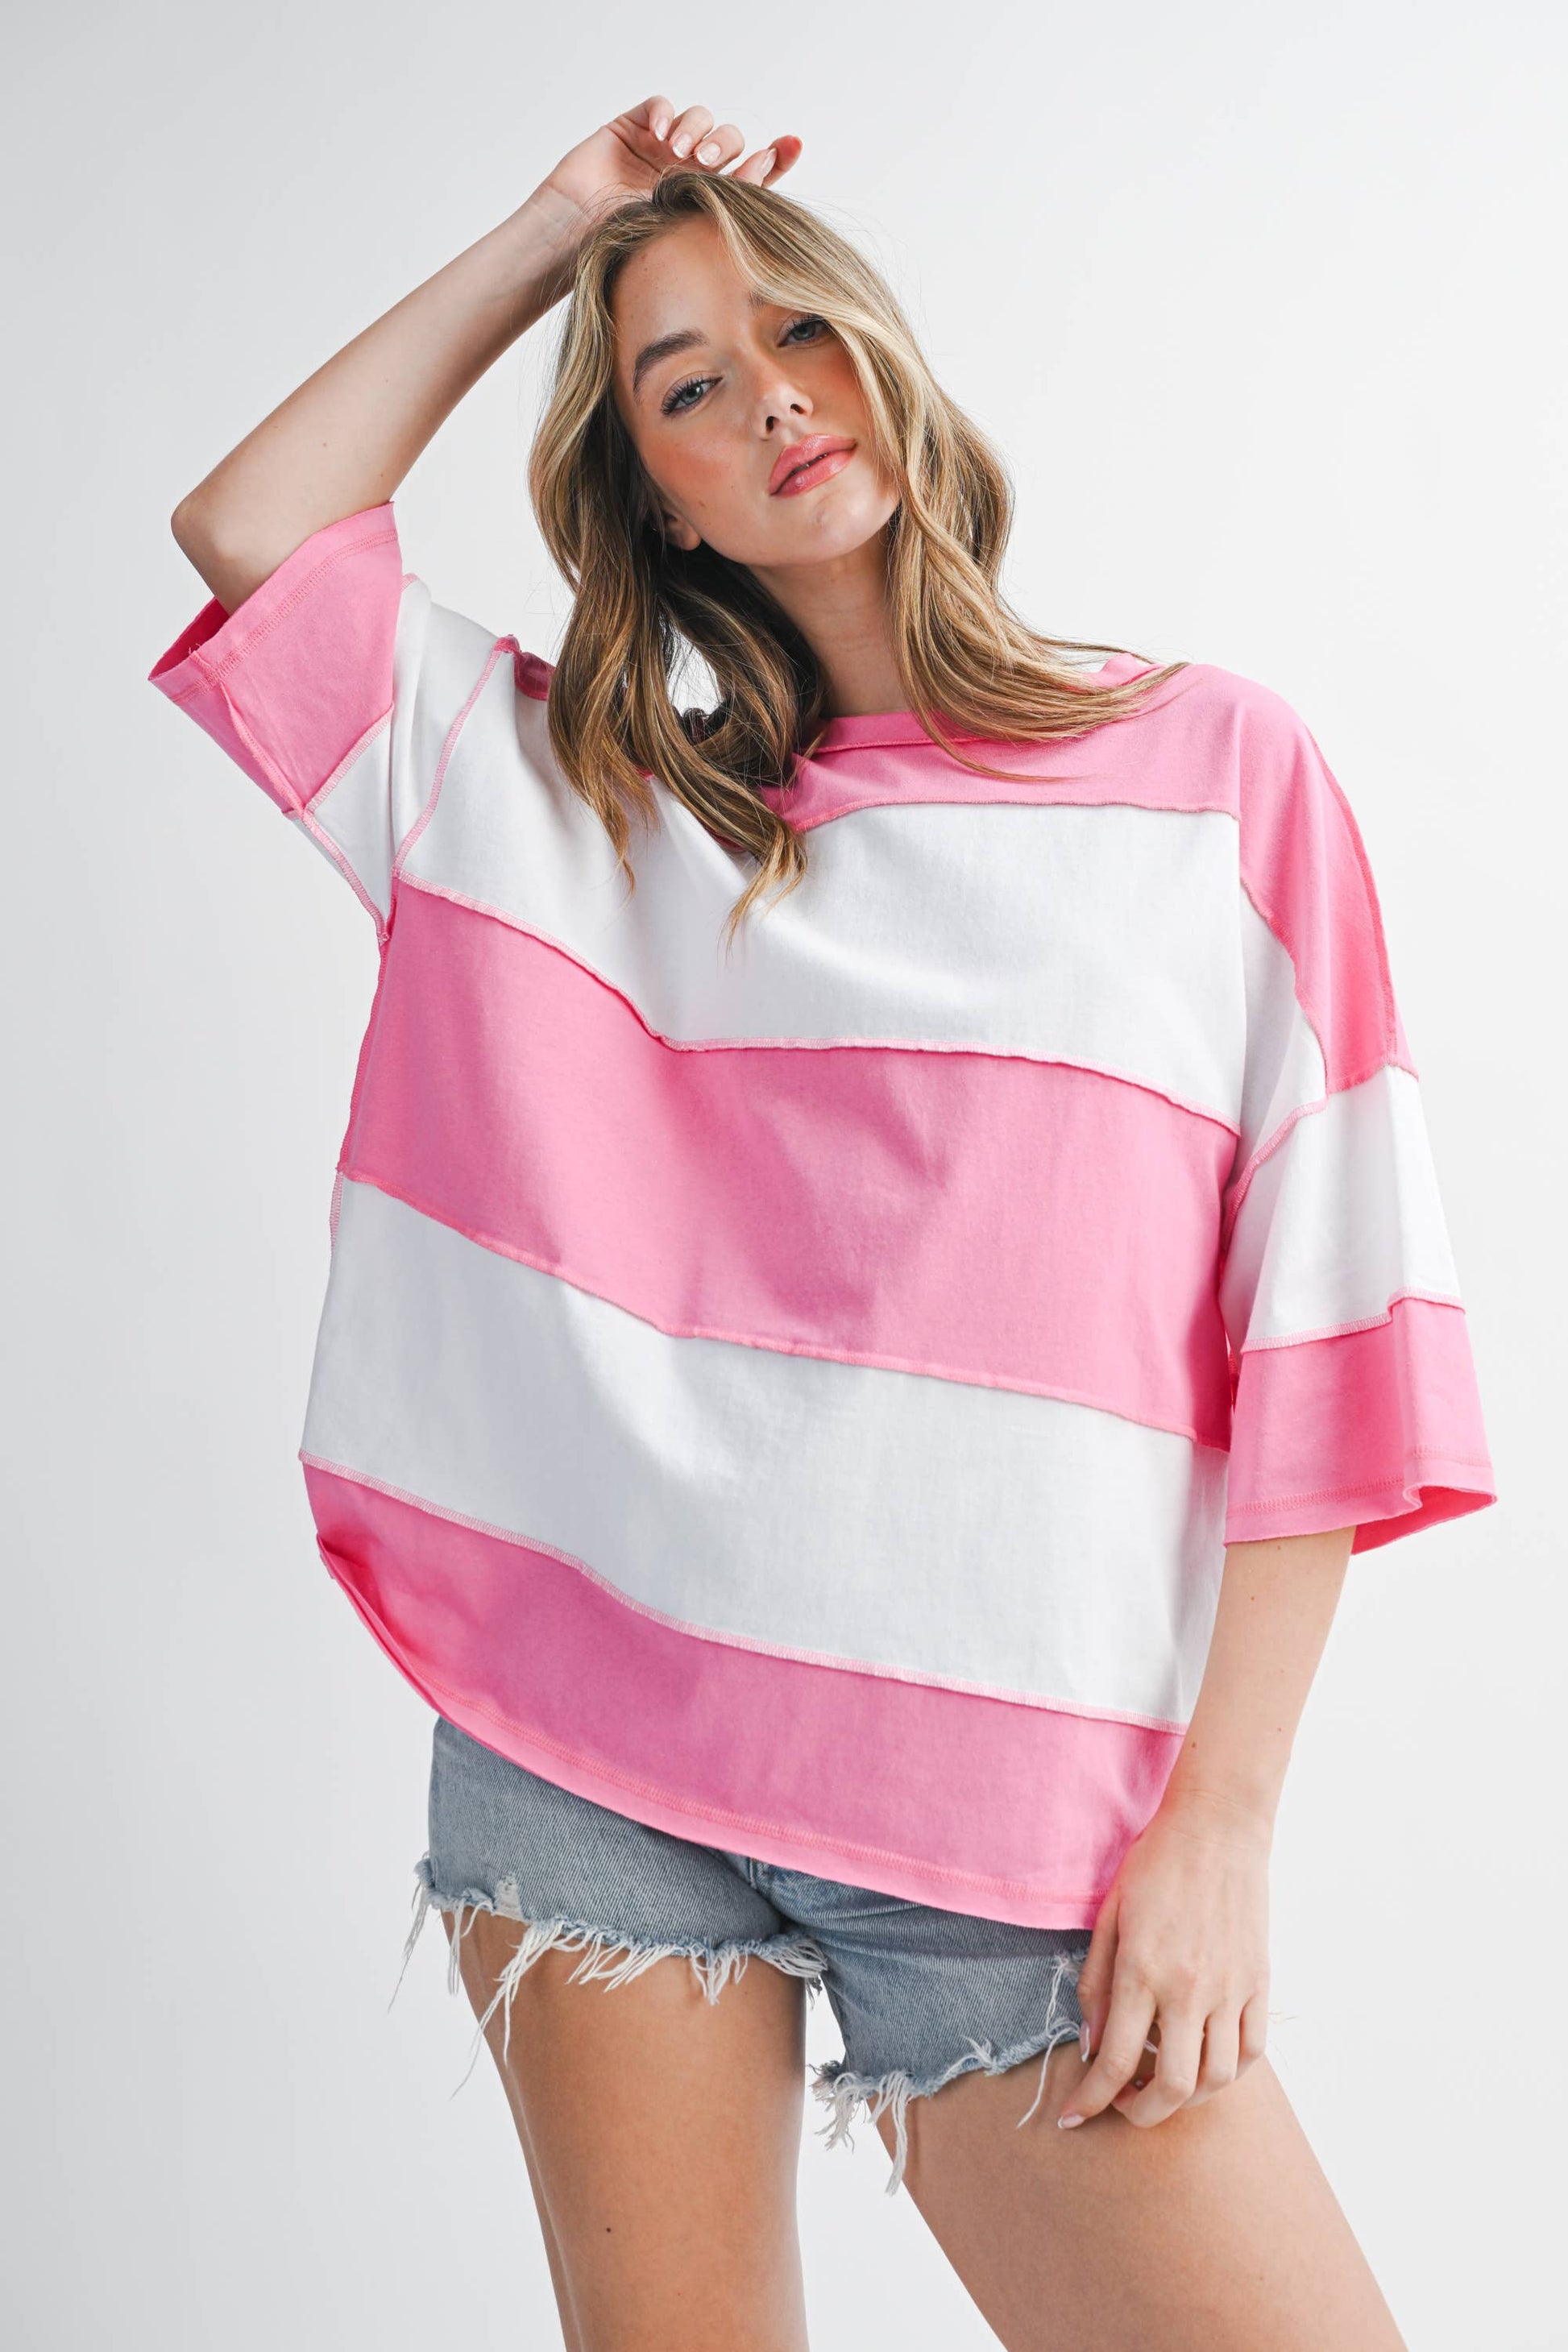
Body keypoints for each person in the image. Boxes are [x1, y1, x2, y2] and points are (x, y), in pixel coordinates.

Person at [149, 93, 1495, 2352]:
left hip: (1017, 1800)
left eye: (797, 330)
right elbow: (252, 529)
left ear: (885, 357)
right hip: (591, 1756)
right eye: (686, 384)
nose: (772, 395)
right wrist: (554, 231)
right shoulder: (583, 808)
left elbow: (1329, 1319)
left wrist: (1223, 1828)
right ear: (650, 497)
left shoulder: (1213, 779)